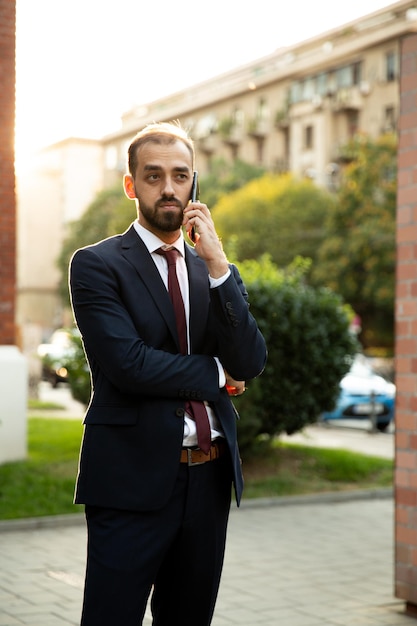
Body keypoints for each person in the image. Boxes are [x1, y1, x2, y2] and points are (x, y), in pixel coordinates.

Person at [69, 121, 267, 626]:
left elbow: (251, 360)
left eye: (180, 176)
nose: (169, 188)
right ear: (131, 186)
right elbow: (128, 365)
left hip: (209, 476)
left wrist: (220, 264)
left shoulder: (212, 267)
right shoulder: (96, 265)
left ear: (194, 184)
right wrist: (218, 373)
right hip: (130, 479)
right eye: (153, 176)